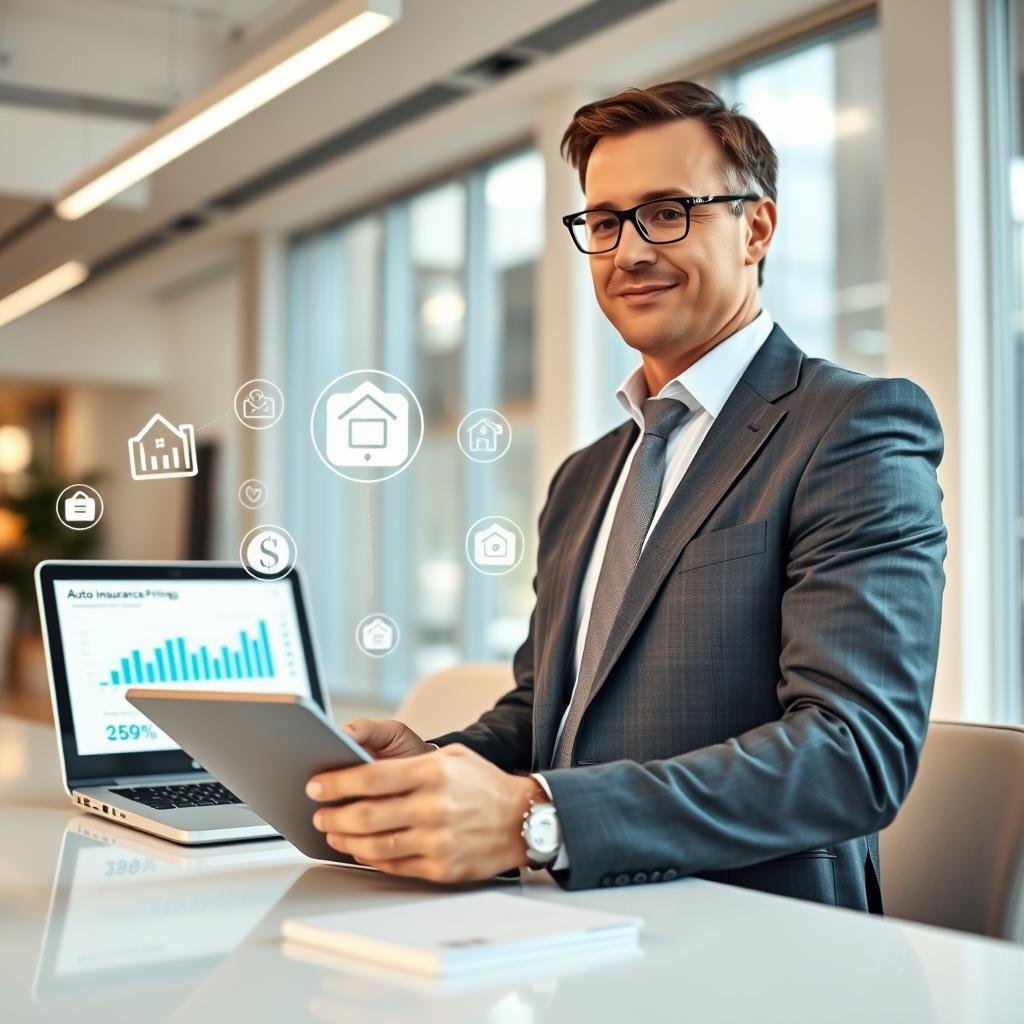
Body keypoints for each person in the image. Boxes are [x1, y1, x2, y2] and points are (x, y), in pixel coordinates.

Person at [305, 80, 947, 909]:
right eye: (604, 222)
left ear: (756, 227)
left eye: (668, 211)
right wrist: (431, 768)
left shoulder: (853, 427)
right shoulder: (585, 475)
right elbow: (552, 712)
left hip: (756, 934)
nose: (629, 251)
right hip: (564, 919)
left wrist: (538, 819)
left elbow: (852, 755)